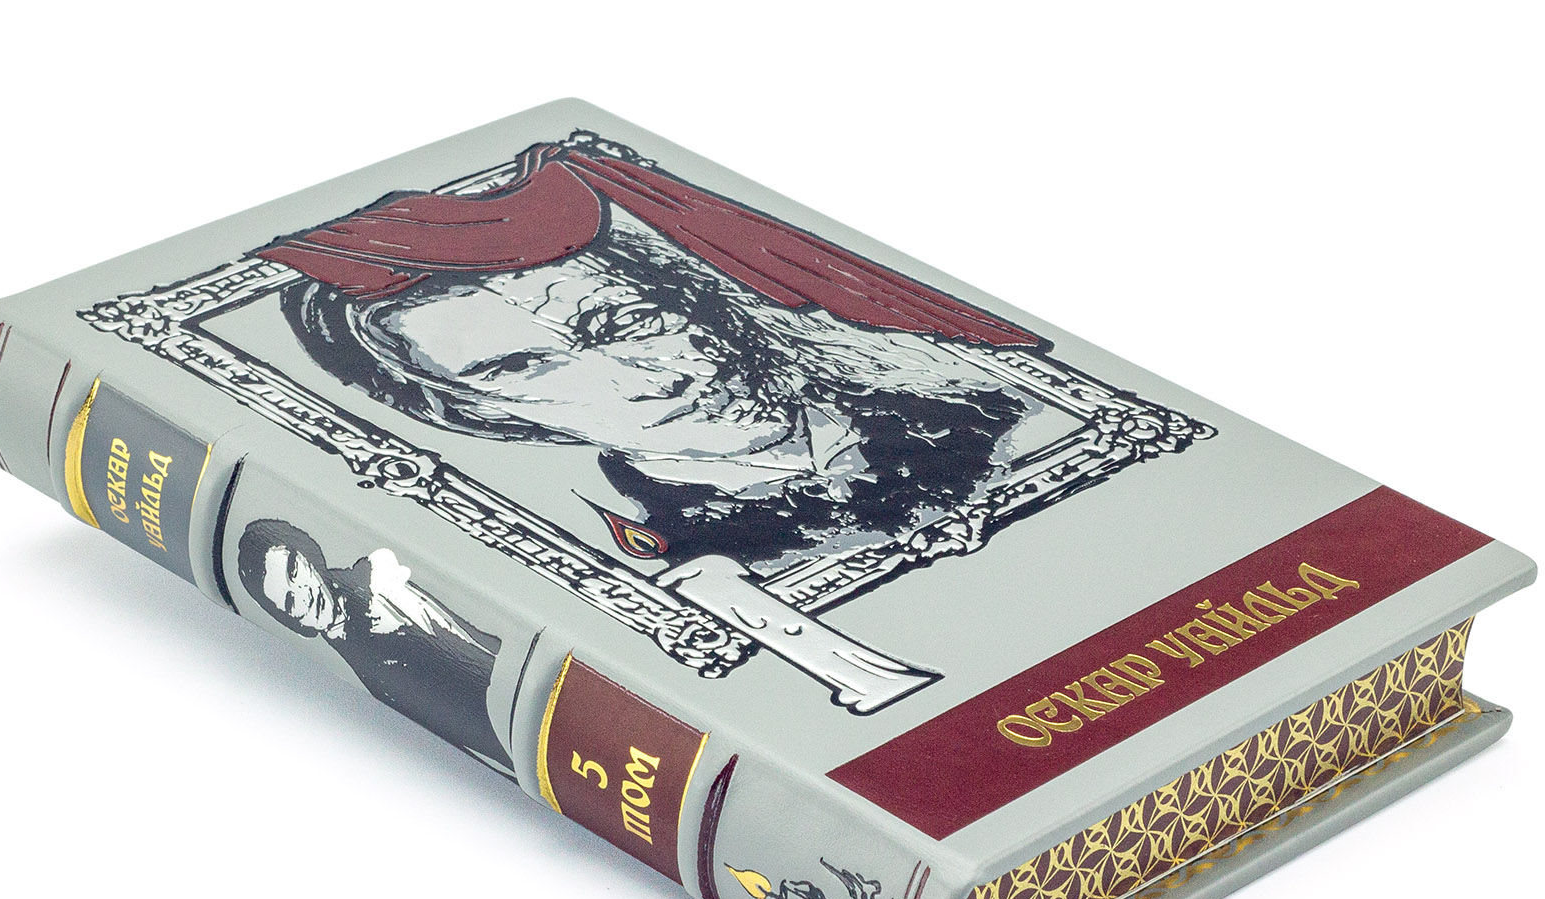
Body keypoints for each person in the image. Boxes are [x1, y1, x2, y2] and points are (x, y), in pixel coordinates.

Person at [259, 136, 1180, 574]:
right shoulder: (679, 555)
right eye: (523, 367)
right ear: (469, 410)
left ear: (684, 297)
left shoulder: (984, 401)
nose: (652, 373)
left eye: (620, 318)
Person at [236, 519, 509, 770]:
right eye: (289, 601)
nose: (303, 594)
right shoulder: (332, 656)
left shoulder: (379, 581)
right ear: (287, 618)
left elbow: (471, 643)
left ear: (306, 554)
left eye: (294, 570)